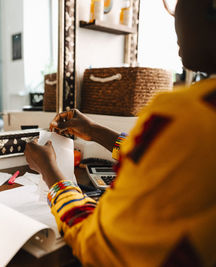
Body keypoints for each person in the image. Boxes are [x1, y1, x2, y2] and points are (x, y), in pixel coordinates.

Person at [24, 0, 216, 265]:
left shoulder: (184, 115)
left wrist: (51, 175)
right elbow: (166, 157)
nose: (173, 12)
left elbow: (99, 244)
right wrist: (95, 131)